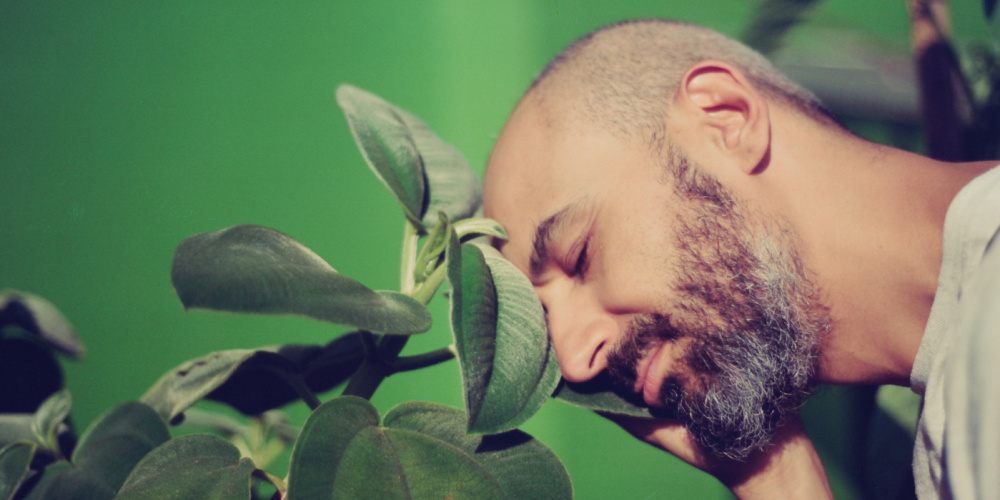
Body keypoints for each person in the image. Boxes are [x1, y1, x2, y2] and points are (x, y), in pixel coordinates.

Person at [481, 19, 999, 499]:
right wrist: (777, 476)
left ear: (726, 116)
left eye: (580, 256)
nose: (574, 360)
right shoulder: (953, 415)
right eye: (547, 318)